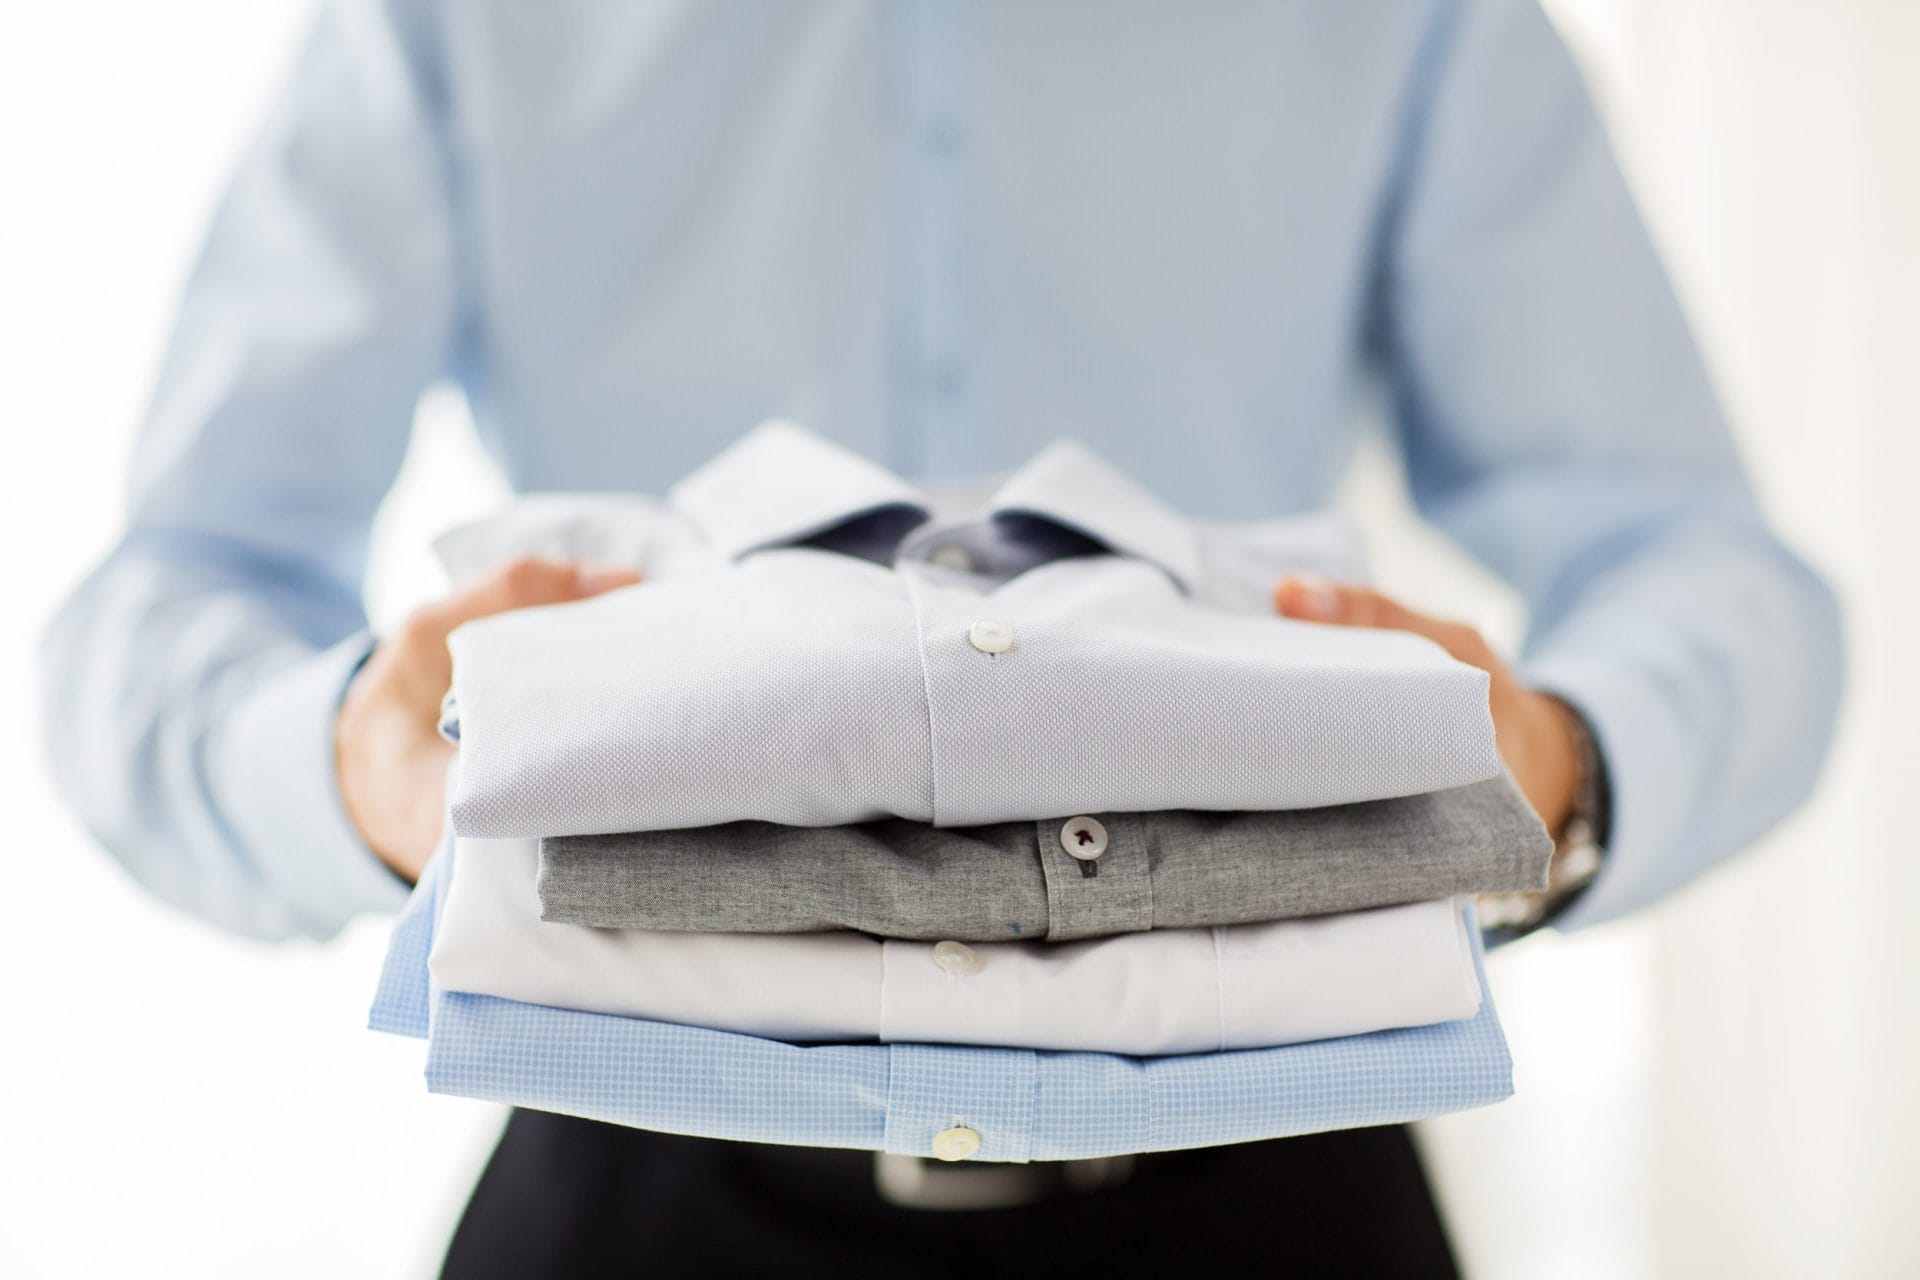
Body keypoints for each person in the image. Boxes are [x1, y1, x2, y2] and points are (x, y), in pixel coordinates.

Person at [41, 1, 1842, 1275]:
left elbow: (1710, 570)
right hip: (637, 1190)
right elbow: (161, 598)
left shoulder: (1410, 18)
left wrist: (1557, 773)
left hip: (1275, 1187)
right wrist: (356, 759)